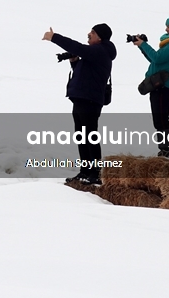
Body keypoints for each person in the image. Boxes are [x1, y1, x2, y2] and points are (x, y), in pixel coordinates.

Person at [43, 23, 116, 185]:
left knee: (89, 136)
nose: (89, 34)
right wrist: (74, 62)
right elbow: (86, 73)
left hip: (89, 100)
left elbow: (78, 47)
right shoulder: (96, 52)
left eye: (93, 32)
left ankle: (95, 173)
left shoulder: (101, 50)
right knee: (82, 137)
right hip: (82, 99)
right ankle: (85, 171)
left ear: (100, 37)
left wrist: (54, 37)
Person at [133, 9, 169, 158]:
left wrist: (144, 45)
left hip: (165, 86)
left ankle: (167, 150)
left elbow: (157, 58)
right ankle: (164, 149)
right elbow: (156, 60)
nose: (166, 29)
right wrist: (142, 46)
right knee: (159, 119)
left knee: (162, 119)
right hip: (158, 86)